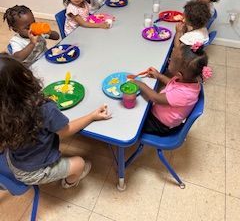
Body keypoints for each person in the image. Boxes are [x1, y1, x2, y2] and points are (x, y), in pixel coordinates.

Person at [0, 54, 111, 188]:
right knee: (80, 163)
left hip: (14, 160)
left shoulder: (4, 112)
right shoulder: (43, 109)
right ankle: (68, 183)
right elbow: (65, 131)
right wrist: (92, 116)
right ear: (25, 76)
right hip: (31, 172)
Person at [131, 44, 211, 136]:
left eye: (171, 61)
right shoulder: (190, 81)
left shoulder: (184, 94)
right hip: (159, 116)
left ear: (179, 75)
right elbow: (173, 84)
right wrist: (159, 76)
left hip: (159, 124)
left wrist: (139, 83)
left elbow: (155, 98)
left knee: (133, 119)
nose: (168, 60)